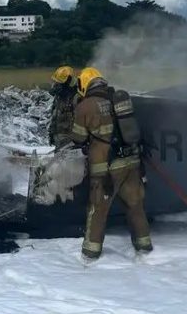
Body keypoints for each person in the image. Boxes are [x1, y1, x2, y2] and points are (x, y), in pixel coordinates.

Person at [70, 67, 152, 261]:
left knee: (98, 209)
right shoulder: (119, 98)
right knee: (135, 206)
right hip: (132, 162)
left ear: (84, 85)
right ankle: (144, 246)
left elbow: (78, 138)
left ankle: (91, 252)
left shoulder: (86, 106)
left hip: (105, 169)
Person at [47, 66, 79, 148]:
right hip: (58, 136)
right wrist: (52, 132)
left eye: (60, 82)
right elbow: (54, 114)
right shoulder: (59, 96)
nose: (57, 84)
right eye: (57, 82)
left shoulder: (75, 97)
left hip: (69, 138)